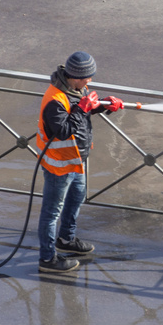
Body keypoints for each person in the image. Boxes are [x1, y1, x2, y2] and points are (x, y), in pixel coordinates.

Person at [36, 51, 123, 273]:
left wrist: (104, 105)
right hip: (59, 165)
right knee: (51, 213)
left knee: (76, 200)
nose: (90, 81)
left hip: (77, 160)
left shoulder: (75, 88)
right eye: (87, 78)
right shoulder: (54, 100)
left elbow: (81, 111)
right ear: (75, 76)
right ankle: (47, 259)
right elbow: (63, 130)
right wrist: (82, 108)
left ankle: (66, 239)